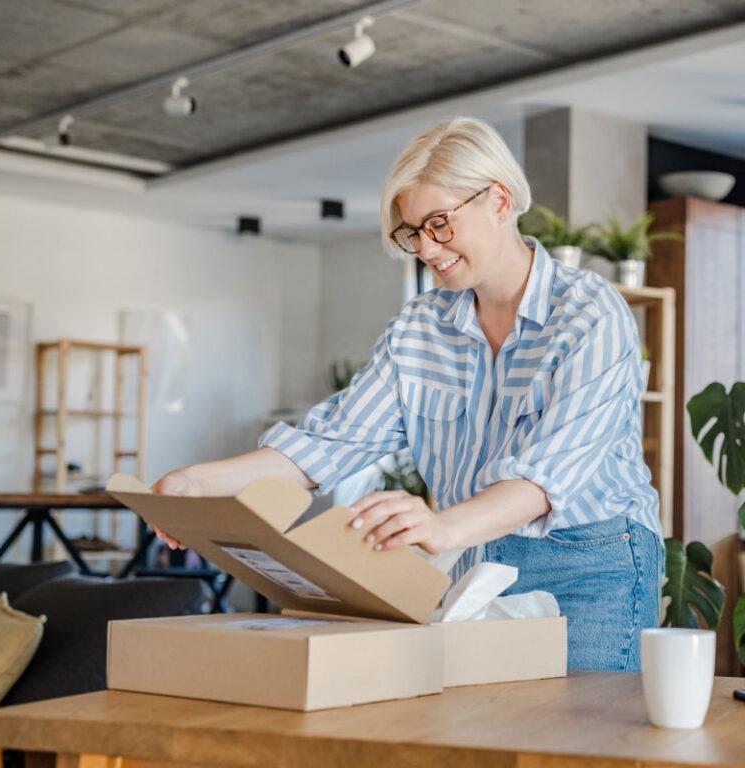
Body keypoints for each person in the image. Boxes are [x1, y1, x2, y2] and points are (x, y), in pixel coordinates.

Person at [153, 116, 663, 672]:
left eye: (438, 224)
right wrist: (198, 482)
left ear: (498, 199)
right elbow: (330, 442)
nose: (425, 248)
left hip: (588, 563)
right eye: (411, 231)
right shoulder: (418, 330)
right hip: (474, 559)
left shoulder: (589, 314)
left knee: (575, 747)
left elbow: (546, 479)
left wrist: (441, 526)